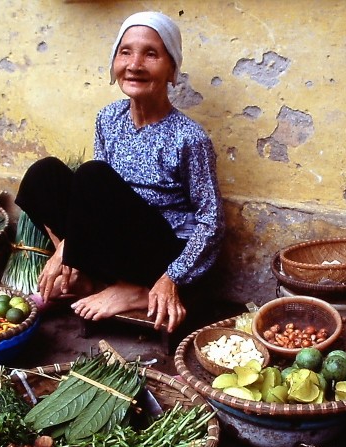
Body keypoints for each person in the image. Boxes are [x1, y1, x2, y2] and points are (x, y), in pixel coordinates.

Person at [15, 11, 225, 334]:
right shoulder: (108, 119)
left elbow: (212, 221)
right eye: (125, 52)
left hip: (163, 254)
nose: (135, 64)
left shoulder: (188, 138)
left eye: (151, 54)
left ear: (172, 70)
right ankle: (83, 274)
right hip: (119, 242)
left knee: (91, 175)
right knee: (45, 174)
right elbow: (90, 203)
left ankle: (136, 290)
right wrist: (65, 249)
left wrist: (171, 277)